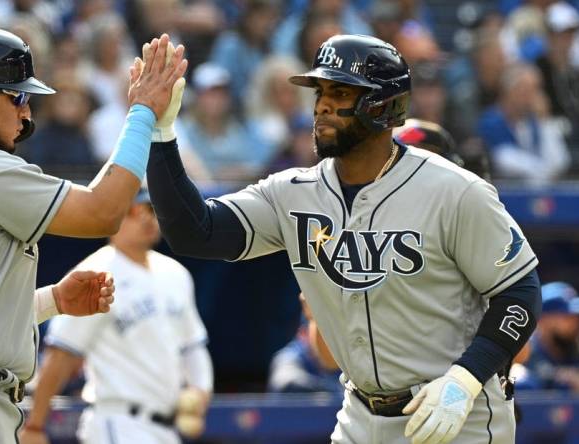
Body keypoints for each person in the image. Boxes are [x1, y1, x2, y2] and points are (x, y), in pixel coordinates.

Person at [145, 34, 542, 444]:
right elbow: (196, 232)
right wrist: (160, 135)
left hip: (454, 415)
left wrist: (467, 379)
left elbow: (520, 291)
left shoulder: (455, 190)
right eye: (320, 92)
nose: (323, 106)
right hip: (359, 417)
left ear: (383, 104)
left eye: (340, 92)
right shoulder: (292, 192)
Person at [0, 28, 187, 444]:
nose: (27, 114)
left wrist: (53, 301)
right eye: (17, 97)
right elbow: (104, 211)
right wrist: (143, 114)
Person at [19, 190, 213, 444]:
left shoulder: (175, 274)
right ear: (114, 217)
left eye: (152, 210)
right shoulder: (98, 272)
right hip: (118, 422)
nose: (146, 218)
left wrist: (201, 392)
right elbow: (62, 353)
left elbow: (193, 346)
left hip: (167, 428)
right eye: (134, 211)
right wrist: (35, 425)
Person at [516, 281, 579, 393]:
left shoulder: (578, 348)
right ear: (543, 320)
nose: (576, 321)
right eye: (567, 316)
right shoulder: (525, 351)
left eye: (576, 316)